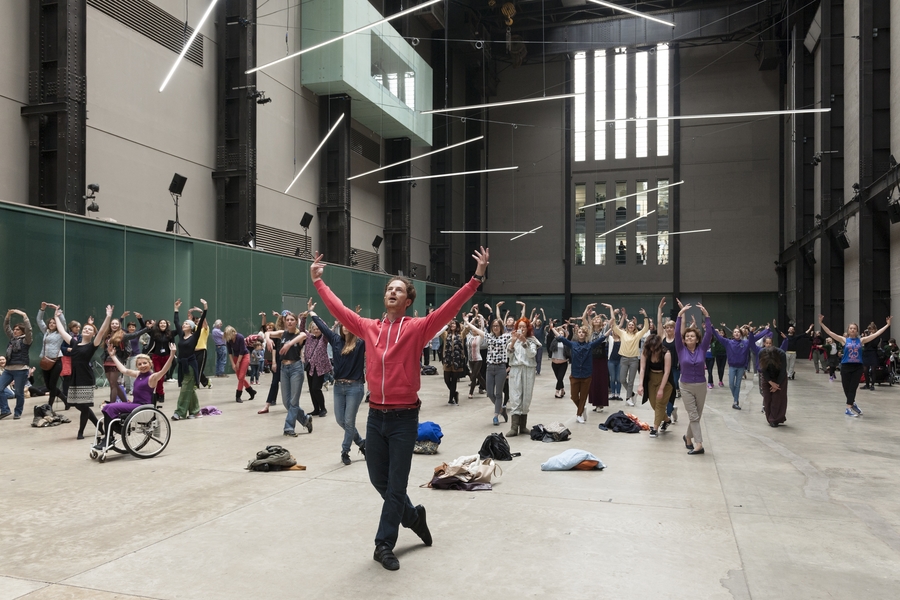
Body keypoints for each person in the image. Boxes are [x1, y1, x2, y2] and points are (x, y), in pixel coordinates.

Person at [310, 246, 489, 571]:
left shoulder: (417, 328)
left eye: (399, 289)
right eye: (389, 288)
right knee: (379, 480)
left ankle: (384, 544)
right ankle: (414, 517)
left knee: (396, 485)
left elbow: (450, 309)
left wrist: (475, 279)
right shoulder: (369, 328)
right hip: (376, 416)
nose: (392, 291)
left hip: (405, 419)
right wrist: (319, 283)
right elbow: (339, 311)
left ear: (408, 300)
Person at [308, 307, 366, 465]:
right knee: (341, 420)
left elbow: (365, 328)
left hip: (355, 387)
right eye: (344, 324)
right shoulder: (335, 340)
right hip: (339, 387)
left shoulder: (361, 342)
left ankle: (345, 451)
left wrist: (356, 317)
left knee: (349, 421)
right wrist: (312, 312)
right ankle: (362, 443)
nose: (346, 326)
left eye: (349, 324)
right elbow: (322, 327)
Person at [54, 306, 112, 439]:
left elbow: (102, 331)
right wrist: (56, 317)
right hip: (74, 376)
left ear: (92, 334)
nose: (86, 330)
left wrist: (108, 316)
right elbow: (62, 331)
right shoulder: (74, 343)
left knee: (84, 405)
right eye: (85, 328)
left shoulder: (92, 345)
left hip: (85, 377)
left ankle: (80, 432)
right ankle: (98, 423)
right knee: (78, 405)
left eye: (90, 329)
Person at [819, 314, 891, 416]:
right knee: (846, 389)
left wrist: (887, 325)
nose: (852, 330)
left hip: (857, 367)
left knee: (853, 388)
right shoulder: (844, 340)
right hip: (845, 366)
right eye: (851, 328)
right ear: (848, 330)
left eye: (854, 328)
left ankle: (848, 408)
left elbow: (877, 334)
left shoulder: (861, 340)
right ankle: (852, 404)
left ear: (857, 331)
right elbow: (830, 332)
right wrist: (821, 323)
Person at [103, 342, 175, 438]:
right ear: (137, 366)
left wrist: (172, 355)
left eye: (145, 363)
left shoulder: (152, 377)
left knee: (111, 408)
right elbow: (123, 370)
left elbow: (163, 371)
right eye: (139, 364)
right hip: (134, 405)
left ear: (150, 364)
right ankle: (112, 433)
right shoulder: (138, 374)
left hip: (142, 407)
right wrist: (113, 356)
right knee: (106, 407)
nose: (142, 365)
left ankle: (110, 436)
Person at [556, 304, 606, 424]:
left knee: (583, 396)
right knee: (574, 396)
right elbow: (562, 339)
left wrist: (608, 330)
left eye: (583, 333)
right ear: (577, 334)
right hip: (575, 374)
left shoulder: (589, 345)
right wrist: (554, 330)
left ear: (585, 334)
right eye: (579, 332)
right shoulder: (573, 344)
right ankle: (581, 408)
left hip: (586, 375)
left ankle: (579, 415)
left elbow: (601, 339)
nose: (581, 334)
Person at [674, 302, 713, 455]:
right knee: (693, 415)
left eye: (693, 336)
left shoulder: (702, 349)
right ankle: (699, 444)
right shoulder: (680, 348)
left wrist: (707, 316)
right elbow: (677, 333)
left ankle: (687, 437)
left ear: (697, 339)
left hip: (701, 385)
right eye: (687, 336)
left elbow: (709, 334)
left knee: (697, 416)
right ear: (685, 339)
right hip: (686, 385)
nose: (690, 337)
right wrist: (679, 316)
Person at [264, 312, 311, 437]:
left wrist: (289, 344)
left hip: (296, 368)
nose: (289, 322)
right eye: (287, 320)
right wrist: (268, 339)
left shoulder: (300, 334)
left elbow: (303, 335)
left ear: (296, 322)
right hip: (284, 369)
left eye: (292, 320)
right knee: (286, 402)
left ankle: (289, 427)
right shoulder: (282, 333)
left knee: (294, 401)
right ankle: (305, 419)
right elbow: (267, 332)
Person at [465, 317, 510, 425]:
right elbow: (476, 329)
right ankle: (501, 409)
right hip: (490, 368)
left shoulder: (506, 336)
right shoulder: (488, 336)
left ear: (501, 327)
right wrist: (467, 322)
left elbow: (519, 331)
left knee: (498, 393)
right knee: (490, 393)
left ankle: (495, 416)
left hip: (501, 368)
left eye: (497, 326)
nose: (495, 327)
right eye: (493, 326)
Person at [713, 324, 770, 410]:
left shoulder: (746, 343)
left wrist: (766, 330)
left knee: (738, 385)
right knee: (731, 384)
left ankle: (735, 402)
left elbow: (756, 337)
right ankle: (736, 399)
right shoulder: (728, 342)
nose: (736, 333)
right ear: (733, 334)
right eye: (735, 332)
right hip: (732, 367)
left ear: (741, 334)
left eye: (738, 332)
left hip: (741, 367)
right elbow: (719, 337)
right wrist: (712, 328)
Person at [505, 316, 541, 434]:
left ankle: (523, 426)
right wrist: (514, 341)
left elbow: (531, 354)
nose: (521, 329)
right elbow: (508, 356)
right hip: (515, 369)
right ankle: (514, 427)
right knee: (515, 396)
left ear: (528, 328)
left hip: (529, 370)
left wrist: (524, 342)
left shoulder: (532, 341)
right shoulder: (512, 340)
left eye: (524, 327)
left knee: (526, 396)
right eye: (519, 326)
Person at [172, 299, 207, 420]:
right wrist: (176, 309)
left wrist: (205, 308)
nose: (184, 325)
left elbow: (202, 321)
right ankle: (196, 411)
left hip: (191, 366)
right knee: (189, 389)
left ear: (192, 327)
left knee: (185, 388)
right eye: (184, 324)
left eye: (186, 324)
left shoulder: (195, 336)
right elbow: (176, 322)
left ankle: (179, 412)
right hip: (183, 365)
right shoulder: (182, 335)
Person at [609, 305, 649, 406]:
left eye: (632, 325)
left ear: (634, 326)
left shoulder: (637, 335)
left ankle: (628, 398)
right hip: (624, 359)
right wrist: (613, 314)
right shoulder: (622, 333)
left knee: (631, 381)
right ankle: (631, 393)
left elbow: (646, 328)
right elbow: (613, 326)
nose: (631, 326)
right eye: (629, 325)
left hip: (634, 360)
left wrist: (645, 316)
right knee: (622, 379)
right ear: (627, 326)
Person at [637, 333, 674, 438]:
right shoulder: (646, 352)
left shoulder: (666, 353)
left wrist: (661, 389)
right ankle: (666, 420)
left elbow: (667, 372)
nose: (652, 349)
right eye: (650, 346)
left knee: (660, 404)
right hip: (651, 378)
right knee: (654, 404)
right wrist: (640, 384)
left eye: (654, 347)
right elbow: (642, 368)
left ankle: (655, 428)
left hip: (665, 380)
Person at [300, 303, 332, 417]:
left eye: (318, 328)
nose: (317, 330)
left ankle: (323, 408)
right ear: (312, 329)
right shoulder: (309, 337)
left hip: (320, 367)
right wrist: (304, 316)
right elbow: (301, 329)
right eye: (314, 328)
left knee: (316, 388)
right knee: (311, 389)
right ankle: (316, 409)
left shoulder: (324, 338)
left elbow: (324, 326)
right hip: (310, 367)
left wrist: (313, 313)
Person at [0, 309, 33, 420]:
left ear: (22, 331)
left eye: (17, 329)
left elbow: (29, 329)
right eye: (14, 329)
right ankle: (5, 410)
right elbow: (6, 327)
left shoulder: (26, 340)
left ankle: (17, 412)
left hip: (21, 369)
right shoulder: (12, 339)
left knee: (19, 393)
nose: (14, 331)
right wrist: (8, 315)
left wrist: (24, 315)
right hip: (8, 369)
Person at [36, 302, 67, 410]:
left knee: (52, 385)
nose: (52, 324)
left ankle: (49, 406)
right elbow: (39, 321)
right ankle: (66, 400)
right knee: (48, 386)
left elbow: (63, 323)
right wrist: (42, 309)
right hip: (46, 361)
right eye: (51, 323)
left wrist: (58, 312)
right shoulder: (46, 332)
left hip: (56, 361)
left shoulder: (60, 333)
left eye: (54, 323)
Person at [759, 345, 788, 427]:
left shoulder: (781, 354)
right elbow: (763, 369)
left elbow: (783, 371)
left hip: (780, 377)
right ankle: (770, 418)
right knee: (767, 397)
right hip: (767, 376)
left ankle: (775, 419)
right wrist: (770, 382)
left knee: (777, 398)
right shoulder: (761, 353)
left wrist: (777, 384)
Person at [225, 325, 256, 402]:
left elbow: (242, 350)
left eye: (229, 335)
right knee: (240, 378)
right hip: (236, 357)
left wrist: (238, 362)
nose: (229, 337)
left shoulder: (240, 337)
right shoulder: (228, 340)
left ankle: (238, 396)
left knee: (241, 377)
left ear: (233, 332)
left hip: (244, 356)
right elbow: (229, 353)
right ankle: (251, 391)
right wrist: (233, 364)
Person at [440, 320, 466, 405]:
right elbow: (439, 331)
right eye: (451, 324)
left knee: (454, 380)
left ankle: (451, 399)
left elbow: (468, 328)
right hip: (447, 360)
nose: (452, 325)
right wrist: (446, 325)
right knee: (446, 380)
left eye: (454, 323)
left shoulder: (461, 335)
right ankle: (454, 393)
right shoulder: (445, 334)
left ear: (457, 325)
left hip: (457, 361)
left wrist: (466, 320)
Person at [545, 319, 570, 398]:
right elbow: (550, 335)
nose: (560, 334)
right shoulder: (553, 341)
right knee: (559, 379)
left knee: (560, 377)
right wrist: (552, 327)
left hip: (563, 363)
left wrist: (567, 327)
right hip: (554, 363)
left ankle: (557, 391)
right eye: (559, 333)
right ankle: (562, 389)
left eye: (562, 333)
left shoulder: (566, 342)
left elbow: (570, 335)